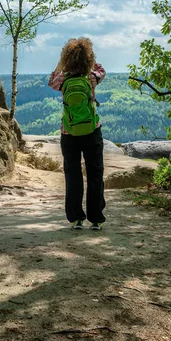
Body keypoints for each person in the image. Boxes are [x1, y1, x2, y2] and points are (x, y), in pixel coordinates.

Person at [48, 37, 106, 231]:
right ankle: (96, 219)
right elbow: (101, 69)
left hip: (69, 132)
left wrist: (62, 63)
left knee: (73, 175)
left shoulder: (63, 78)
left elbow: (51, 80)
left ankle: (75, 218)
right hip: (92, 130)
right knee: (95, 174)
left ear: (67, 58)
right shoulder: (92, 76)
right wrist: (89, 60)